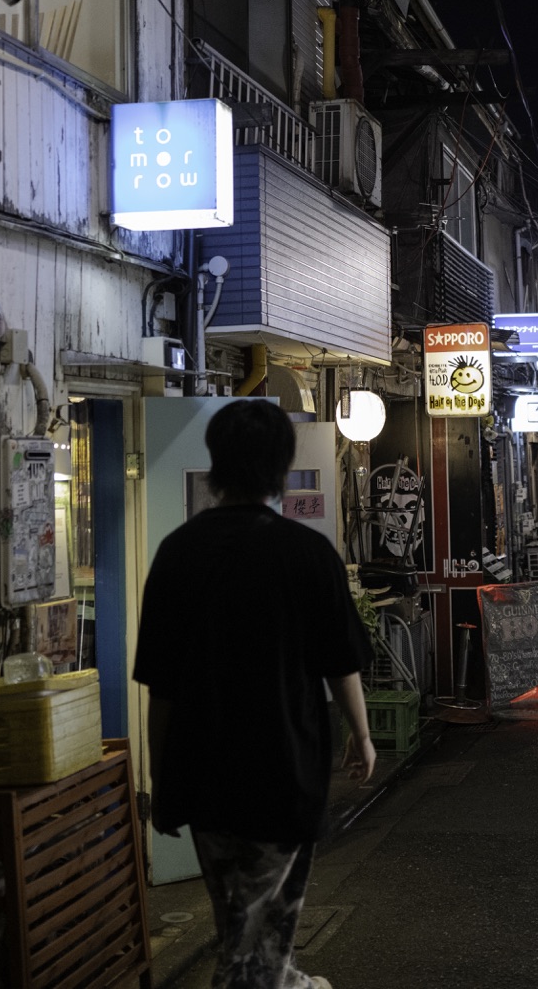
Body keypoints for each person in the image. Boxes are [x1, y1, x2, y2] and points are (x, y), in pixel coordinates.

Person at [134, 400, 374, 989]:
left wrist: (164, 779)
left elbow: (160, 689)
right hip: (283, 772)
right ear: (282, 466)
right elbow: (342, 664)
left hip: (204, 774)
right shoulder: (306, 552)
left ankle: (285, 978)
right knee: (251, 942)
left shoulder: (177, 552)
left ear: (216, 463)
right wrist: (362, 737)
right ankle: (279, 978)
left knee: (240, 922)